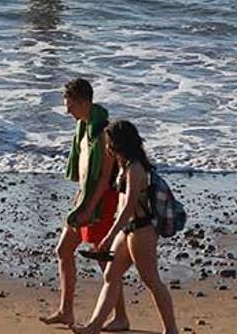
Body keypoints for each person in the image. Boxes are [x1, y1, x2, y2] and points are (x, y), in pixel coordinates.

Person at [72, 120, 179, 334]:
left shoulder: (135, 169)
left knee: (151, 280)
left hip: (141, 230)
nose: (106, 146)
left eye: (108, 142)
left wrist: (109, 236)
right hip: (128, 230)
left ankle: (171, 330)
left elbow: (128, 207)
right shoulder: (125, 166)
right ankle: (94, 326)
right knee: (111, 275)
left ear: (118, 143)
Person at [40, 78, 130, 331]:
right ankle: (66, 311)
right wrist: (80, 201)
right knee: (63, 250)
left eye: (70, 105)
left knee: (105, 260)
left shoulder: (103, 132)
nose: (67, 111)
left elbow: (103, 177)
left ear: (84, 102)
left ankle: (121, 316)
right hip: (85, 199)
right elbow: (84, 173)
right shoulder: (83, 127)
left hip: (102, 202)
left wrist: (89, 208)